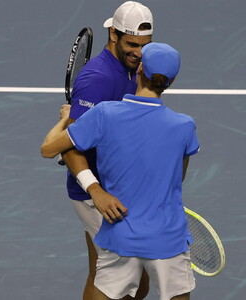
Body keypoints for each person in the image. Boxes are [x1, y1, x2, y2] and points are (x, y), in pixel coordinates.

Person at [41, 42, 199, 300]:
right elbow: (177, 177)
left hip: (120, 235)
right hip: (168, 239)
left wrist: (64, 120)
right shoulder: (185, 127)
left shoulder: (104, 114)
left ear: (139, 71)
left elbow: (49, 149)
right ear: (171, 82)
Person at [60, 1, 153, 300]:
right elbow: (69, 148)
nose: (139, 53)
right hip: (96, 193)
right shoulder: (97, 80)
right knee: (126, 282)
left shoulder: (130, 68)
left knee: (111, 274)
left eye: (144, 45)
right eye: (132, 44)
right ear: (113, 34)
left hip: (116, 186)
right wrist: (97, 192)